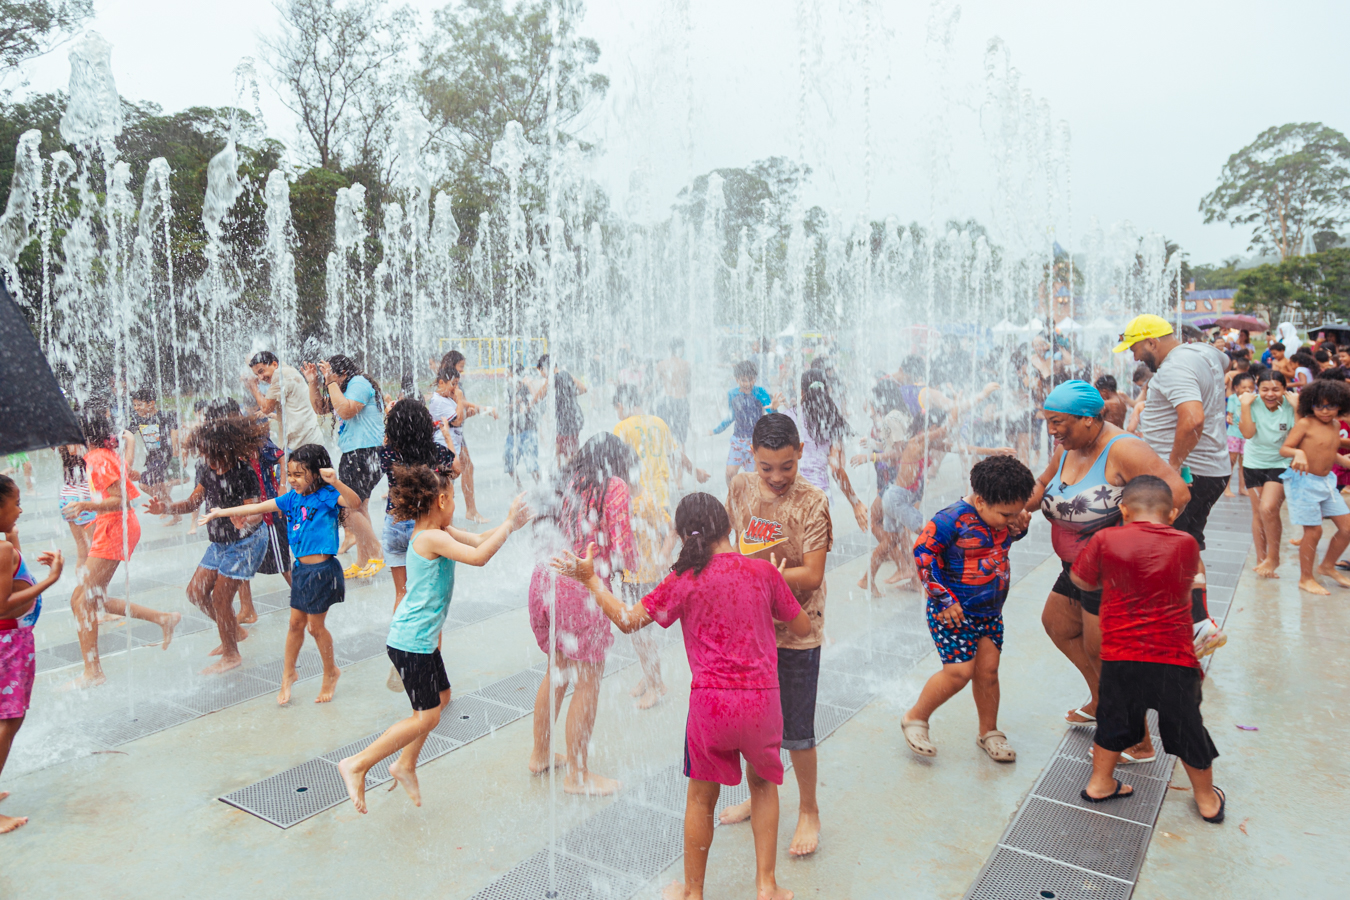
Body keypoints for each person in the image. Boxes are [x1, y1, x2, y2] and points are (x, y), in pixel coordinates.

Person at [551, 492, 809, 900]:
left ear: (685, 536)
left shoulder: (684, 580)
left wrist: (589, 581)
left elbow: (627, 621)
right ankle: (766, 885)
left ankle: (693, 892)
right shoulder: (762, 573)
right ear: (729, 527)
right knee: (762, 788)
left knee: (701, 799)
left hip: (711, 709)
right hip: (762, 704)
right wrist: (776, 584)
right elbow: (801, 627)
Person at [337, 464, 527, 815]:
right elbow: (479, 558)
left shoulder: (439, 530)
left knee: (440, 698)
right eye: (453, 498)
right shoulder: (431, 538)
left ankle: (405, 764)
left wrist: (507, 526)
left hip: (417, 640)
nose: (453, 504)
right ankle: (358, 764)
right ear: (441, 499)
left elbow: (480, 540)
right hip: (412, 643)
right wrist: (511, 525)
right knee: (426, 717)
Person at [1026, 380, 1189, 764]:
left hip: (1112, 573)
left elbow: (1177, 494)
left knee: (1105, 653)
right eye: (1048, 422)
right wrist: (1015, 510)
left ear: (1088, 419)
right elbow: (1042, 484)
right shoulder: (1068, 446)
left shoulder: (1125, 449)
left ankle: (1137, 739)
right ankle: (1102, 700)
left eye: (1058, 422)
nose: (1052, 431)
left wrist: (1139, 544)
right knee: (1058, 625)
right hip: (1079, 568)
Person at [1069, 475, 1226, 824]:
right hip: (1173, 658)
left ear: (1123, 509)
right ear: (1171, 513)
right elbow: (1185, 583)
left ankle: (1099, 783)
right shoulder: (1186, 543)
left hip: (1120, 655)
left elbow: (1081, 579)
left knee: (1113, 718)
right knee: (1187, 727)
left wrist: (1107, 579)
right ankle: (1206, 800)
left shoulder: (1105, 538)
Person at [718, 413, 831, 857]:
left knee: (798, 731)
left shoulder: (812, 501)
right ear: (753, 456)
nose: (777, 476)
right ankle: (759, 792)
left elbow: (814, 572)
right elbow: (728, 544)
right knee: (758, 728)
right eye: (767, 467)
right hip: (752, 629)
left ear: (801, 452)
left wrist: (763, 579)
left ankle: (809, 809)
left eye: (787, 465)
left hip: (798, 630)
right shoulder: (741, 487)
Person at [198, 444, 359, 703]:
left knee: (315, 628)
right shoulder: (291, 498)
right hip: (303, 571)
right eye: (290, 473)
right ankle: (288, 674)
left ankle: (330, 672)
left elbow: (355, 502)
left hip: (323, 572)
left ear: (316, 474)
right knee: (295, 624)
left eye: (298, 474)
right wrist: (221, 512)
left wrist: (336, 481)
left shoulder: (328, 495)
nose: (292, 479)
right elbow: (258, 507)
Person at [902, 456, 1036, 762]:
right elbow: (923, 554)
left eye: (1017, 512)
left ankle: (989, 731)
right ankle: (915, 717)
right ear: (980, 501)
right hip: (953, 612)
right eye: (1006, 514)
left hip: (989, 612)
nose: (1012, 518)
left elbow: (998, 544)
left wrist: (1018, 529)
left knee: (988, 671)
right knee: (959, 672)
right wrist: (944, 599)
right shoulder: (951, 520)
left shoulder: (999, 518)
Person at [527, 434, 635, 794]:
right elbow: (623, 551)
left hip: (548, 575)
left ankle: (540, 754)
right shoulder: (614, 486)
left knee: (557, 671)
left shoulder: (569, 478)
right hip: (581, 585)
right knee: (588, 680)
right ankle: (578, 775)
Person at [1116, 314, 1230, 653]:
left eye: (1135, 348)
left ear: (1152, 341)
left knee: (1166, 547)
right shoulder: (1205, 353)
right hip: (1211, 467)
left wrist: (1174, 464)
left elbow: (1193, 417)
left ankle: (1194, 624)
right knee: (1184, 540)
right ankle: (1193, 622)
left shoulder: (1174, 368)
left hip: (1190, 472)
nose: (1134, 357)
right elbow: (1222, 363)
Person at [146, 411, 272, 675]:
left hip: (246, 543)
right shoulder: (206, 469)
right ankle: (233, 632)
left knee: (220, 598)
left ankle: (231, 654)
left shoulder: (243, 473)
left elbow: (257, 511)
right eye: (204, 455)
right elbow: (193, 502)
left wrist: (245, 520)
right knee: (195, 592)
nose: (207, 460)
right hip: (220, 543)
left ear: (225, 450)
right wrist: (165, 508)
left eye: (211, 455)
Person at [62, 407, 180, 688]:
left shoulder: (98, 459)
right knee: (87, 599)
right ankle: (162, 619)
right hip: (112, 526)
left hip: (116, 527)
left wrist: (85, 505)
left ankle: (93, 672)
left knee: (82, 601)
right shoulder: (99, 456)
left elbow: (123, 498)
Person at [613, 384, 710, 708]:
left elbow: (615, 462)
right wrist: (692, 469)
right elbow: (674, 453)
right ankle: (648, 674)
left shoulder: (622, 428)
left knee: (640, 626)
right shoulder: (659, 423)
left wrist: (663, 555)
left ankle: (656, 682)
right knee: (640, 630)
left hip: (644, 512)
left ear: (621, 406)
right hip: (656, 503)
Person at [0, 475, 63, 834]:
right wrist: (50, 579)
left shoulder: (5, 545)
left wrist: (14, 537)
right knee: (7, 721)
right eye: (15, 503)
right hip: (7, 643)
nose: (21, 509)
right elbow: (2, 604)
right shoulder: (2, 551)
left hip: (13, 641)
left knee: (12, 719)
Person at [381, 399, 456, 691]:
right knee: (429, 597)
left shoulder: (388, 453)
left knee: (403, 592)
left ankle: (400, 651)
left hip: (396, 523)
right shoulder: (436, 453)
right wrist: (445, 435)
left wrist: (392, 416)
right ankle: (427, 657)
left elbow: (387, 438)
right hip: (425, 526)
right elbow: (455, 468)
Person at [304, 354, 384, 578]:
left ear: (344, 374)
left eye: (333, 377)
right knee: (359, 508)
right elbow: (321, 409)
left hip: (365, 452)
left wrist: (329, 381)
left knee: (347, 509)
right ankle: (363, 559)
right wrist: (313, 382)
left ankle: (377, 551)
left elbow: (347, 410)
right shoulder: (344, 386)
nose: (330, 382)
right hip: (355, 453)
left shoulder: (358, 383)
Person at [1277, 378, 1350, 594]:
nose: (1325, 411)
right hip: (1303, 482)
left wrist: (1345, 462)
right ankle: (1305, 578)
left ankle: (1327, 565)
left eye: (1331, 406)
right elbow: (1285, 448)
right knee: (1313, 531)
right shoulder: (1305, 423)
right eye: (1319, 406)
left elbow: (1329, 449)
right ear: (1310, 404)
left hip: (1327, 482)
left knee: (1347, 528)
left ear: (1340, 405)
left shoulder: (1336, 425)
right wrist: (1298, 452)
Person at [784, 372, 868, 531]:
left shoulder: (789, 416)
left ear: (801, 392)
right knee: (814, 550)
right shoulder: (832, 419)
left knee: (792, 549)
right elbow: (835, 468)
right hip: (818, 496)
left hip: (790, 491)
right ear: (826, 390)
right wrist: (855, 503)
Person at [1238, 370, 1296, 578]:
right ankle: (1261, 559)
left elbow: (1299, 436)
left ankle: (1274, 556)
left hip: (1281, 462)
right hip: (1253, 463)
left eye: (1275, 389)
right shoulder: (1250, 404)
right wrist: (1244, 405)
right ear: (1257, 388)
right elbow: (1247, 434)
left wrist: (1298, 409)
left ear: (1284, 389)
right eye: (1264, 389)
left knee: (1269, 507)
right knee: (1258, 513)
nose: (1270, 394)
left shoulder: (1291, 406)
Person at [430, 350, 495, 523]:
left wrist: (472, 412)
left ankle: (461, 512)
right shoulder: (451, 385)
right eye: (461, 366)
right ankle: (466, 511)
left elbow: (460, 409)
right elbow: (461, 404)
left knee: (457, 470)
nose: (463, 370)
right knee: (454, 471)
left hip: (454, 433)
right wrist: (486, 409)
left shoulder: (452, 383)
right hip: (449, 434)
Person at [711, 360, 776, 488]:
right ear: (736, 379)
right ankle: (733, 499)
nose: (747, 384)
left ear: (755, 378)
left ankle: (753, 502)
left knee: (753, 477)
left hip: (755, 441)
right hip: (738, 441)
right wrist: (715, 431)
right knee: (730, 473)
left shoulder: (760, 392)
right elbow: (731, 417)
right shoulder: (732, 394)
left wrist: (774, 408)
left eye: (750, 380)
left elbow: (772, 413)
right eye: (743, 380)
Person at [246, 351, 326, 452]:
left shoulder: (279, 375)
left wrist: (253, 386)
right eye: (257, 375)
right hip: (309, 441)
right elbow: (271, 401)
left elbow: (266, 407)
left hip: (300, 445)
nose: (261, 377)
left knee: (283, 467)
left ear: (274, 364)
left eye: (261, 371)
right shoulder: (287, 371)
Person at [129, 388, 181, 525]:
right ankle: (174, 512)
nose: (136, 408)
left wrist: (176, 453)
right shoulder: (137, 419)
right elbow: (127, 434)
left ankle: (166, 507)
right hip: (152, 458)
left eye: (139, 404)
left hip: (164, 456)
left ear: (151, 403)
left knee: (144, 484)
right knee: (159, 488)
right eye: (134, 405)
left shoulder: (164, 416)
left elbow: (174, 433)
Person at [536, 354, 587, 467]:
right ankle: (561, 476)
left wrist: (528, 404)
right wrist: (570, 395)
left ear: (545, 368)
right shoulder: (567, 374)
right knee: (559, 449)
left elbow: (538, 396)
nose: (543, 376)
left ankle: (571, 476)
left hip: (567, 421)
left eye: (542, 372)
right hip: (575, 418)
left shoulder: (552, 378)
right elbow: (584, 389)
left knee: (568, 454)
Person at [504, 361, 545, 490]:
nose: (507, 377)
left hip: (528, 431)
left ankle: (541, 487)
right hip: (513, 431)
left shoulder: (526, 388)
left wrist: (524, 404)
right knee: (509, 461)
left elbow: (535, 401)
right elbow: (507, 407)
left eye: (509, 375)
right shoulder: (509, 390)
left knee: (532, 464)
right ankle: (519, 488)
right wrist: (513, 405)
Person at [656, 338, 693, 482]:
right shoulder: (686, 365)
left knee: (667, 439)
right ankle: (679, 479)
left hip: (666, 402)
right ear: (681, 349)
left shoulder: (661, 365)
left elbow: (657, 385)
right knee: (681, 440)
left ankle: (671, 474)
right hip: (681, 400)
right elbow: (688, 387)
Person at [1224, 372, 1256, 497]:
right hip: (1234, 434)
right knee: (1231, 461)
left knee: (1244, 463)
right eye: (1244, 387)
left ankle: (1242, 487)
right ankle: (1226, 487)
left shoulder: (1254, 399)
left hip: (1246, 435)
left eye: (1250, 387)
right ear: (1236, 388)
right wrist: (1229, 418)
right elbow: (1230, 414)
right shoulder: (1233, 398)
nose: (1247, 390)